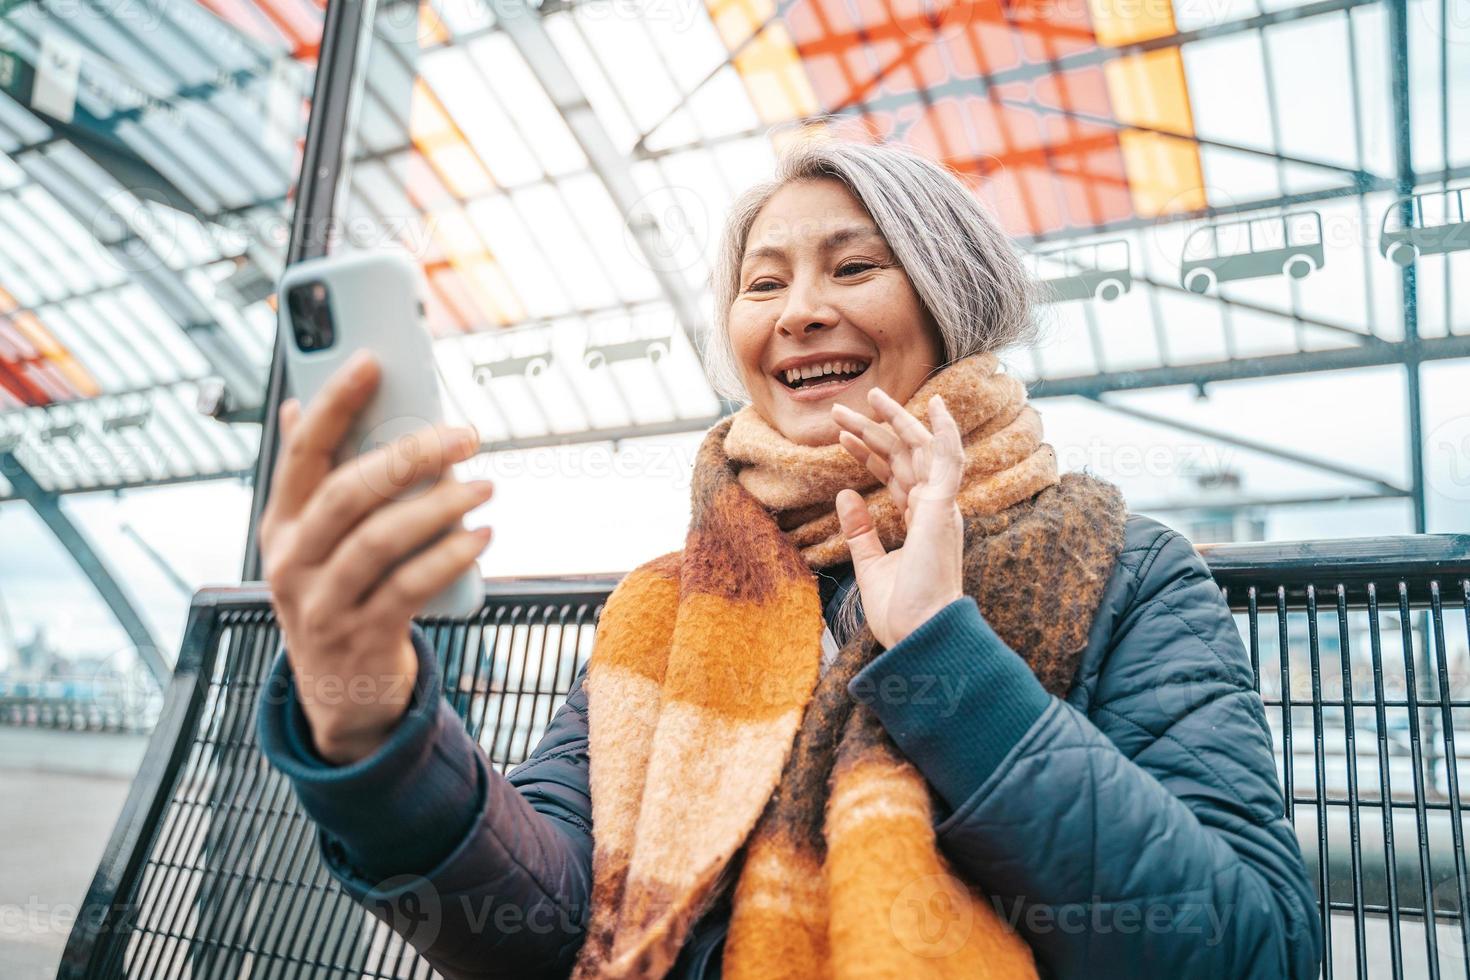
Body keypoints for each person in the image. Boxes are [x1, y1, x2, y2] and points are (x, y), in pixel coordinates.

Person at [256, 139, 1322, 979]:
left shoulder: (1129, 573)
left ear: (954, 304)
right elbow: (546, 925)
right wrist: (372, 736)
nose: (801, 308)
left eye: (854, 265)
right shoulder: (668, 604)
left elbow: (1249, 948)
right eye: (763, 284)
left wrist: (954, 666)